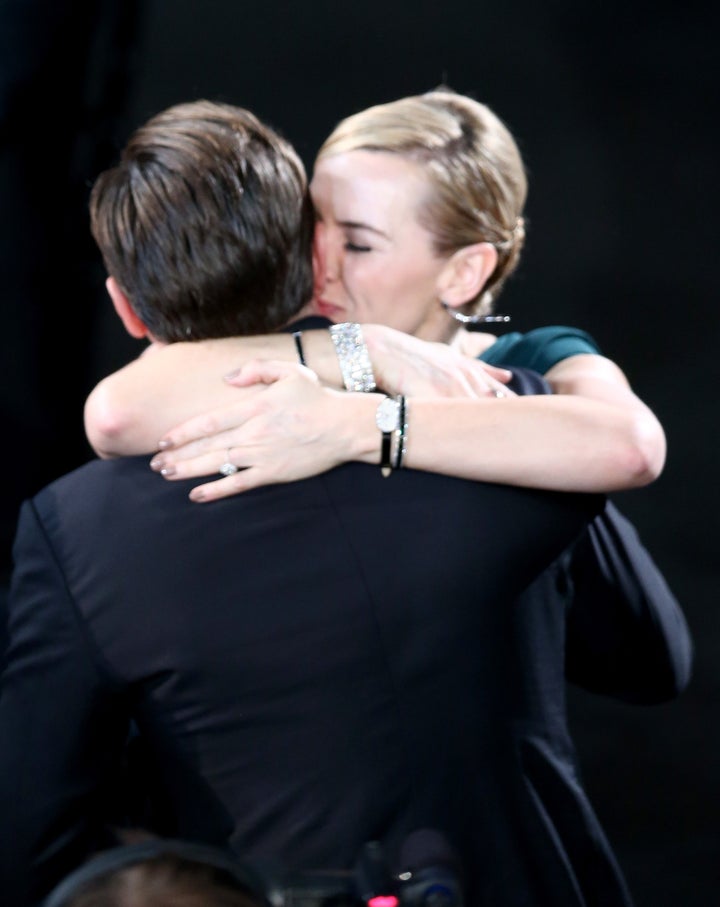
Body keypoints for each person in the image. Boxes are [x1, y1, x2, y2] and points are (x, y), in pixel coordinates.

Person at [0, 99, 608, 907]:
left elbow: (31, 833)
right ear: (308, 261)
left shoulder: (74, 532)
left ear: (126, 306)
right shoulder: (498, 416)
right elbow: (648, 653)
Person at [83, 89, 691, 705]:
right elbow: (118, 411)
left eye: (360, 244)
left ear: (463, 272)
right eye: (311, 230)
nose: (320, 266)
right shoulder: (315, 339)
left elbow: (633, 447)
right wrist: (363, 348)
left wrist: (364, 424)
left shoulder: (527, 364)